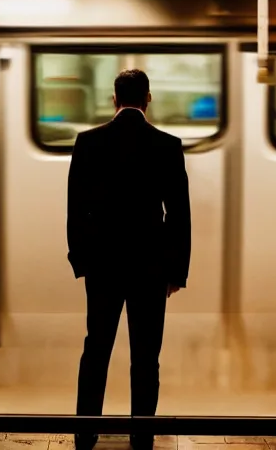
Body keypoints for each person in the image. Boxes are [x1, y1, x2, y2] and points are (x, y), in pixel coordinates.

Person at [67, 69, 191, 450]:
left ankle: (85, 435)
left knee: (96, 351)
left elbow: (76, 209)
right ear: (148, 99)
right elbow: (179, 215)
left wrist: (82, 262)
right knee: (146, 358)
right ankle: (142, 439)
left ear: (114, 99)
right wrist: (176, 272)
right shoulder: (167, 145)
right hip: (150, 270)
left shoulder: (88, 143)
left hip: (103, 269)